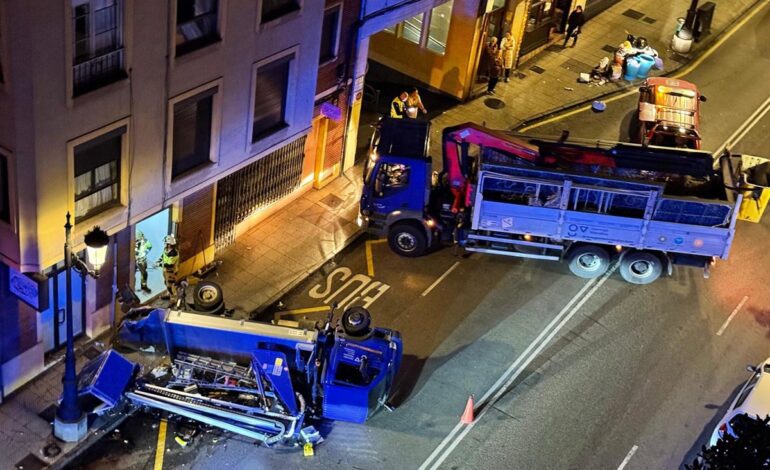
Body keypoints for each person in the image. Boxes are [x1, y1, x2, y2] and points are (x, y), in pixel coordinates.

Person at [156, 234, 179, 301]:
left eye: (166, 243)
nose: (164, 244)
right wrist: (159, 261)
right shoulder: (166, 249)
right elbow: (163, 256)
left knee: (171, 285)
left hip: (170, 271)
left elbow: (170, 264)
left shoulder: (173, 253)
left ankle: (174, 299)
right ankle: (168, 295)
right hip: (166, 270)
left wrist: (159, 264)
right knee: (166, 282)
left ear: (169, 244)